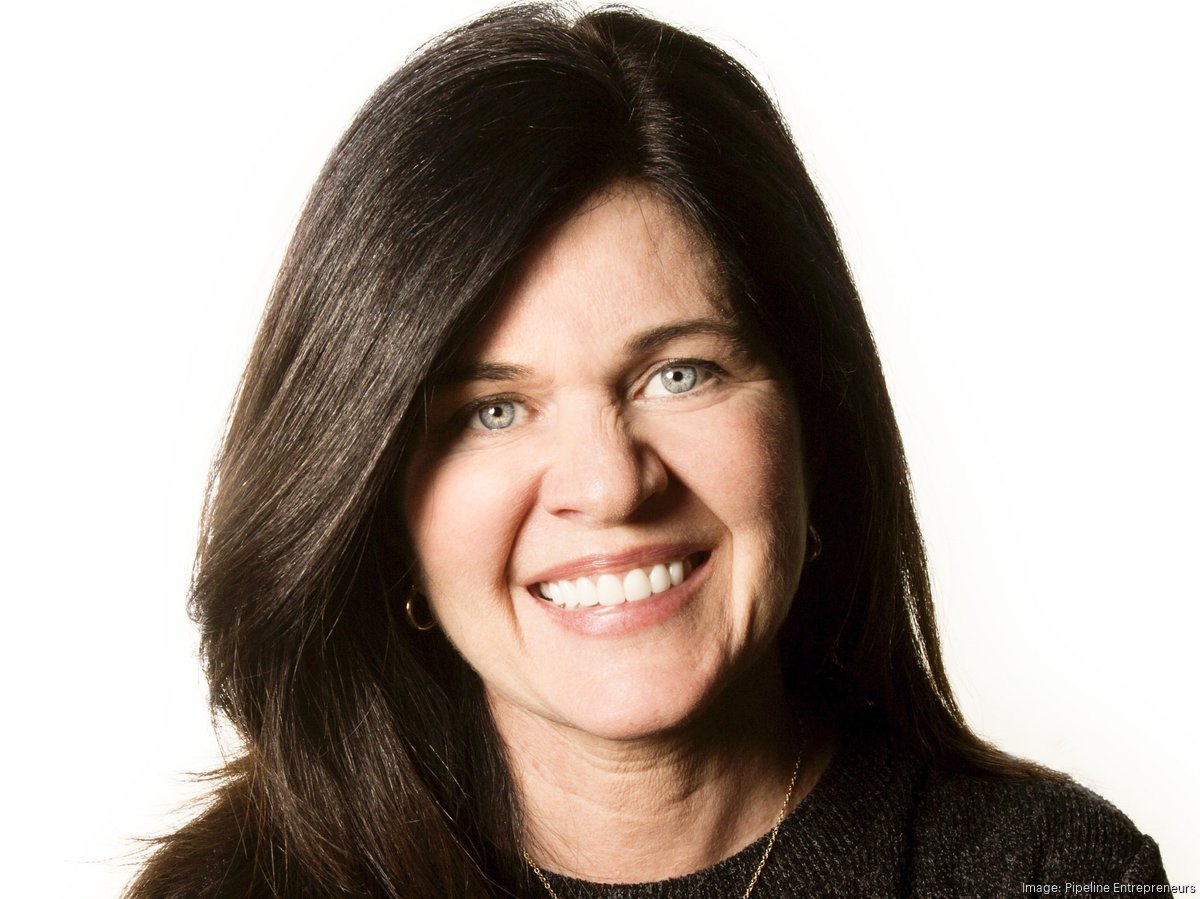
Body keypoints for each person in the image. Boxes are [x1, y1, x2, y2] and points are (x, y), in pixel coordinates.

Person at [125, 4, 1169, 897]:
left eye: (681, 374)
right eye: (493, 410)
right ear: (376, 497)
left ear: (813, 414)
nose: (610, 482)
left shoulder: (1055, 870)